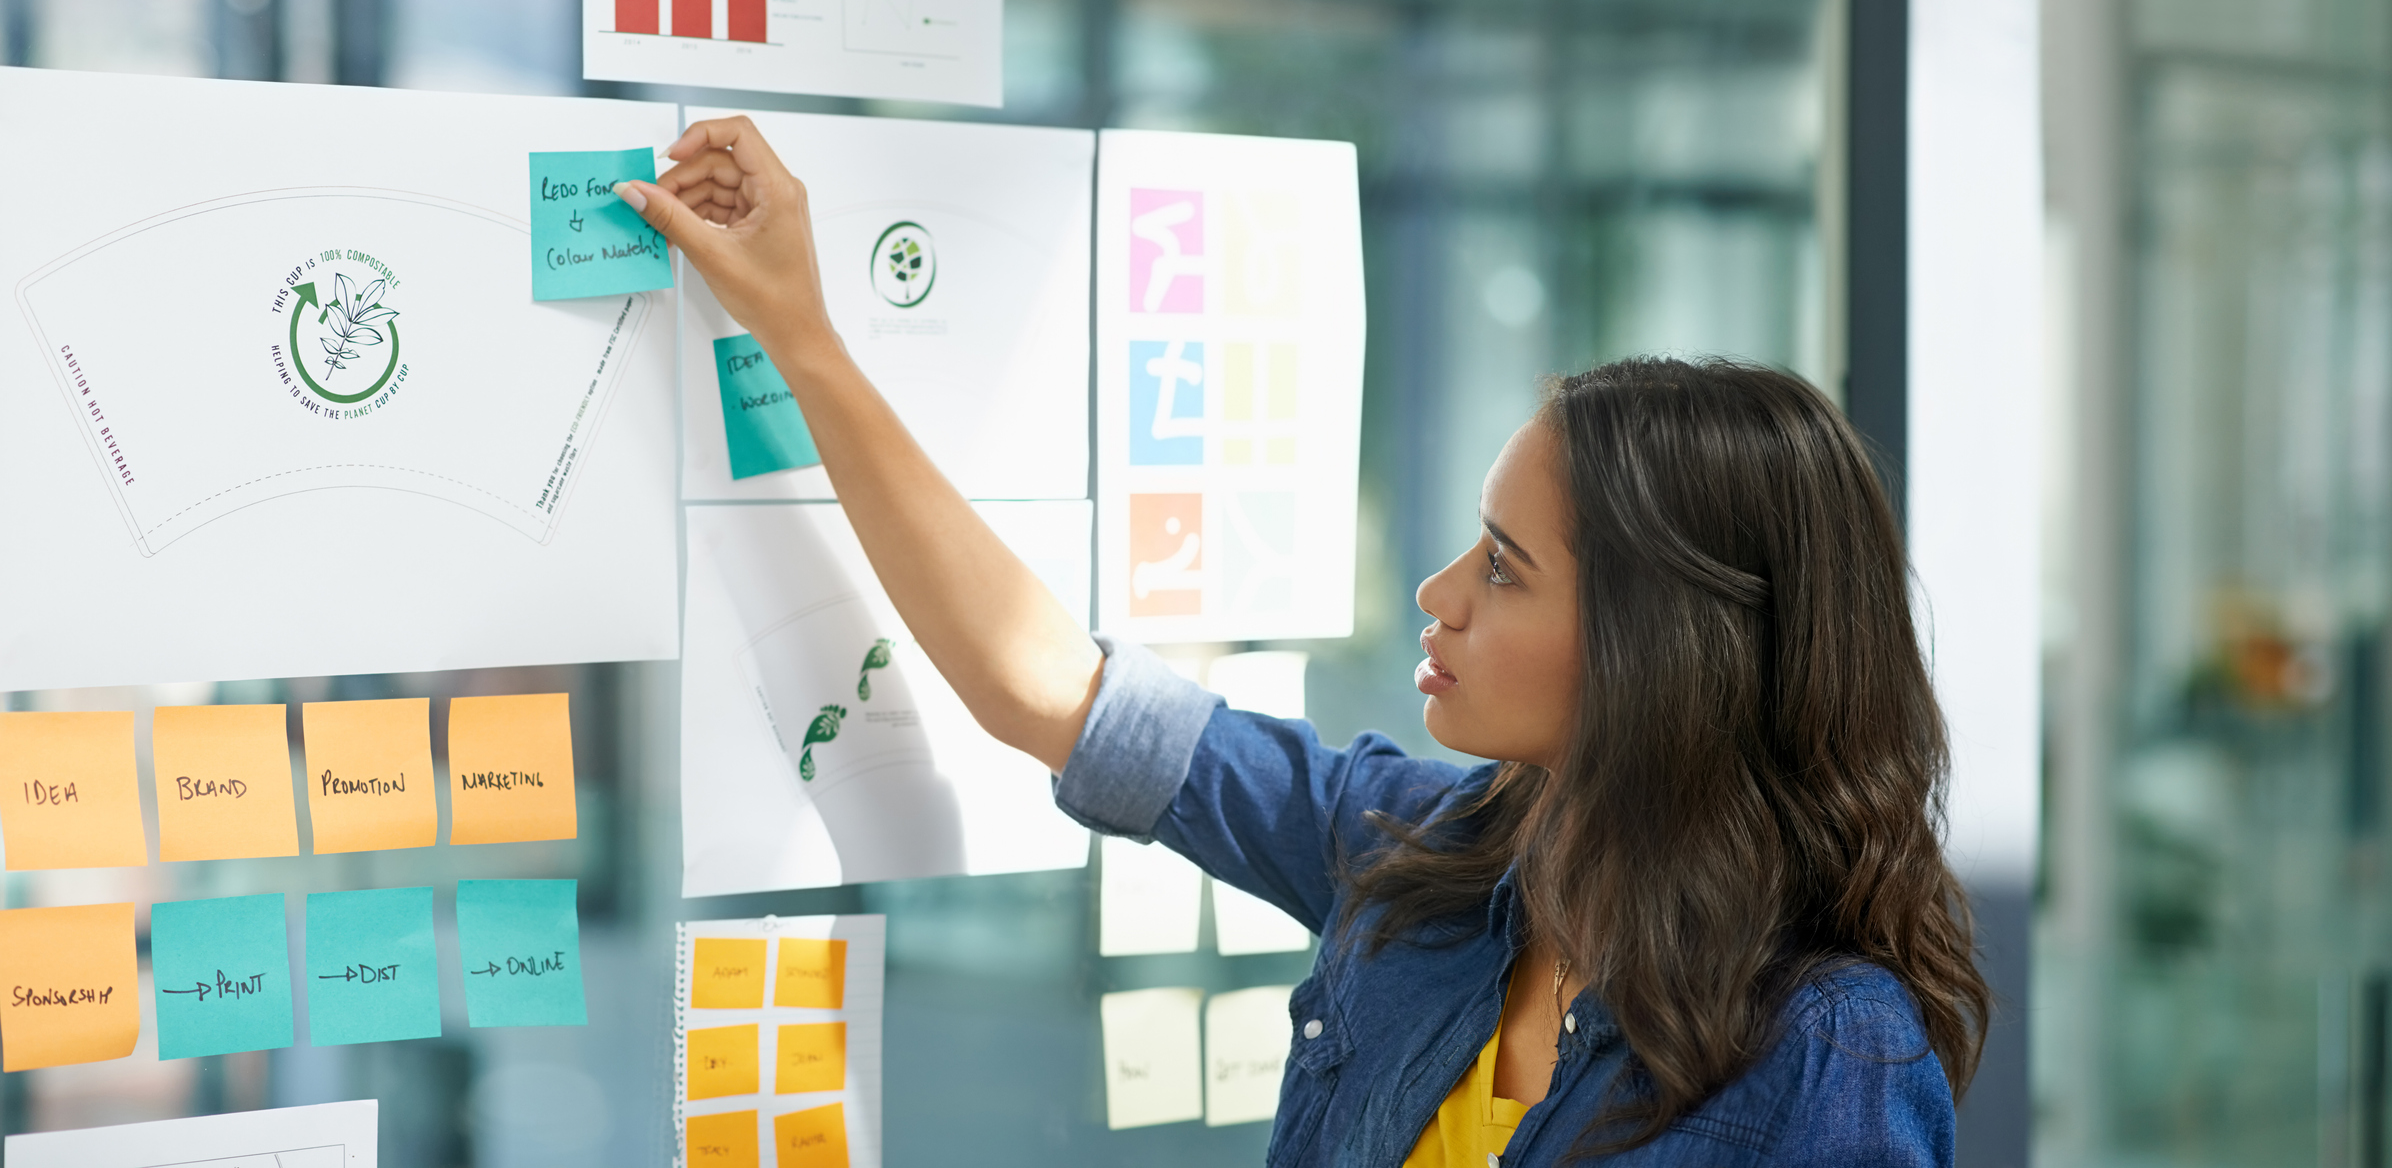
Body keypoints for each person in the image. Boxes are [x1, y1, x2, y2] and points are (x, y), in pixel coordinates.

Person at [614, 117, 1989, 1167]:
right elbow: (1045, 687)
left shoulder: (1828, 1051)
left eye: (1504, 571)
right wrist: (798, 330)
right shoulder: (1419, 852)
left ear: (1667, 648)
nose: (1438, 595)